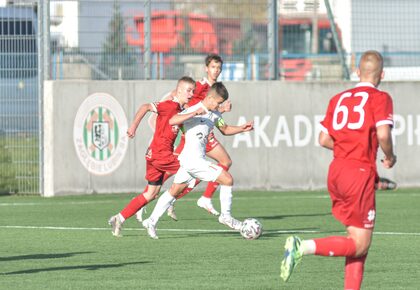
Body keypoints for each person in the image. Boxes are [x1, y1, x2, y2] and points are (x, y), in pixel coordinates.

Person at [280, 50, 396, 289]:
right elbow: (384, 133)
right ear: (382, 74)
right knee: (361, 244)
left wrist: (347, 147)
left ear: (357, 72)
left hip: (337, 171)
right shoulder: (380, 98)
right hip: (359, 174)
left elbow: (323, 139)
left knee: (357, 242)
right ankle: (303, 247)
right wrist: (390, 156)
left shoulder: (339, 98)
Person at [141, 82, 254, 239]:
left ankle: (150, 221)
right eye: (218, 102)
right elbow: (172, 120)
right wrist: (194, 114)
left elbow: (225, 129)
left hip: (191, 162)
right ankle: (226, 217)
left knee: (174, 191)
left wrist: (242, 128)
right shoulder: (193, 109)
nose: (219, 106)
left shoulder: (215, 114)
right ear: (209, 98)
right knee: (227, 179)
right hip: (193, 161)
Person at [135, 53, 233, 221]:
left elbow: (211, 112)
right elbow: (183, 101)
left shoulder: (216, 88)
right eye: (213, 67)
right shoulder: (201, 86)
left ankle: (204, 198)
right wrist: (189, 113)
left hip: (205, 132)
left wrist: (221, 110)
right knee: (174, 172)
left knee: (224, 163)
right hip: (193, 131)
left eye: (219, 68)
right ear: (206, 68)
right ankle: (148, 200)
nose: (216, 71)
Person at [107, 76, 197, 237]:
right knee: (194, 171)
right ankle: (168, 204)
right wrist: (133, 126)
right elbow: (145, 106)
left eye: (193, 91)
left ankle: (119, 218)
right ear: (179, 90)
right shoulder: (169, 105)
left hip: (154, 155)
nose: (191, 94)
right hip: (161, 155)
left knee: (151, 193)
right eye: (189, 91)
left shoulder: (181, 111)